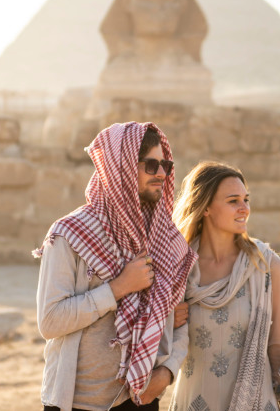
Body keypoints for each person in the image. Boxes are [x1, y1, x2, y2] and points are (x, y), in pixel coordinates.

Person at [33, 122, 197, 411]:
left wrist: (168, 371)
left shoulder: (164, 238)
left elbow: (180, 319)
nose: (161, 173)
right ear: (119, 167)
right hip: (74, 402)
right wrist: (118, 288)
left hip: (139, 398)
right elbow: (50, 321)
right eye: (150, 164)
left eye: (166, 165)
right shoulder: (70, 234)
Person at [169, 161, 280, 410]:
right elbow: (153, 348)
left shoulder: (268, 267)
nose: (244, 209)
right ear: (205, 207)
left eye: (246, 199)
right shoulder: (179, 269)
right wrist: (167, 321)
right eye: (233, 201)